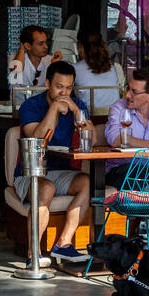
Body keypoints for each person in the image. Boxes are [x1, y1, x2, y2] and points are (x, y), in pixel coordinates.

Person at [17, 61, 94, 264]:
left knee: (88, 182)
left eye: (69, 88)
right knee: (47, 188)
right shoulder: (31, 106)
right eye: (59, 87)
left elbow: (92, 138)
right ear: (47, 83)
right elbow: (38, 141)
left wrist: (77, 112)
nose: (64, 93)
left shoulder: (76, 104)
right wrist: (53, 109)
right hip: (29, 172)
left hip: (61, 171)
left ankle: (63, 244)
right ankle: (33, 255)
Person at [74, 33, 124, 110]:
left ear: (80, 48)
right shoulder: (115, 67)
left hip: (87, 116)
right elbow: (122, 90)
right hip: (114, 113)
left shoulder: (74, 68)